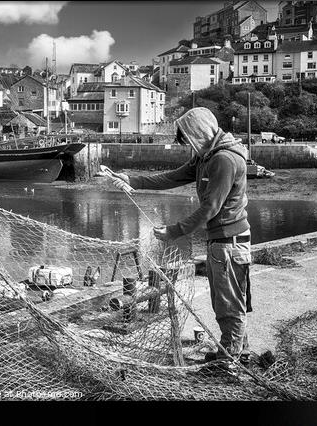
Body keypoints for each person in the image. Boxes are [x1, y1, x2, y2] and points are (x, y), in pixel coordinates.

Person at [107, 107, 252, 365]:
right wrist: (133, 180)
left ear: (200, 133)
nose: (188, 145)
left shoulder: (224, 161)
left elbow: (211, 208)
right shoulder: (206, 156)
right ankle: (239, 352)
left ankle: (230, 362)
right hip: (222, 240)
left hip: (229, 242)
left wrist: (174, 231)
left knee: (228, 305)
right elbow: (173, 177)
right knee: (228, 300)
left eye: (189, 138)